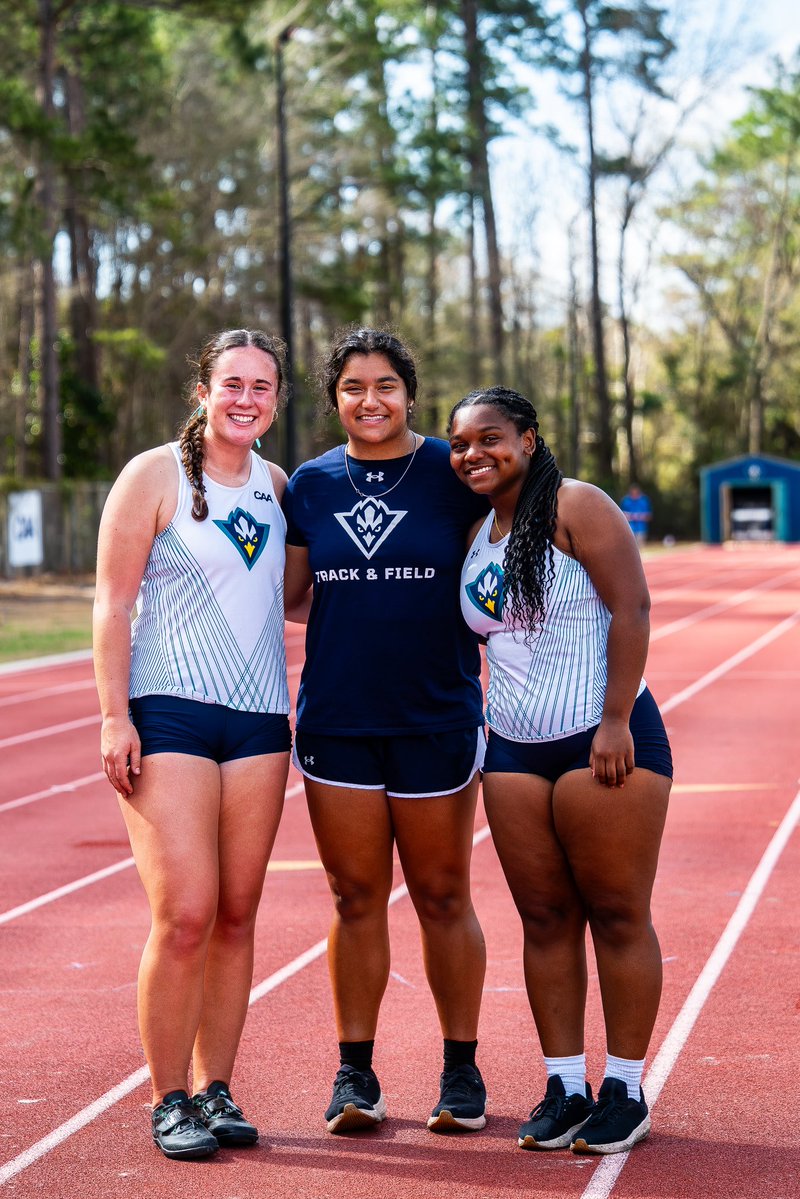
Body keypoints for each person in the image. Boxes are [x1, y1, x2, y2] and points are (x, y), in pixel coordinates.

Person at [448, 387, 672, 1156]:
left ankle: (626, 1085)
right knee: (544, 920)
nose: (474, 452)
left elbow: (633, 608)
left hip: (602, 737)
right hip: (512, 748)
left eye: (491, 437)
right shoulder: (477, 534)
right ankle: (565, 1083)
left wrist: (615, 720)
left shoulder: (579, 504)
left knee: (615, 911)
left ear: (530, 439)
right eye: (460, 444)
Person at [282, 328, 489, 1136]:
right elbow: (298, 595)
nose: (371, 400)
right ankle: (355, 1073)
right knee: (354, 895)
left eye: (387, 385)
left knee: (442, 894)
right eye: (353, 387)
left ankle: (460, 1069)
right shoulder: (310, 483)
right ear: (334, 397)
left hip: (436, 713)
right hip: (337, 716)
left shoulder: (451, 474)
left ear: (411, 392)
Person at [93, 329, 291, 1160]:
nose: (247, 398)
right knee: (185, 914)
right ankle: (167, 1096)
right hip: (169, 712)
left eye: (263, 386)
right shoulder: (153, 475)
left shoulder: (280, 486)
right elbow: (111, 601)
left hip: (259, 723)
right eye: (233, 383)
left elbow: (310, 595)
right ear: (202, 390)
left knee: (239, 914)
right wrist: (113, 715)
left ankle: (215, 1088)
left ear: (276, 400)